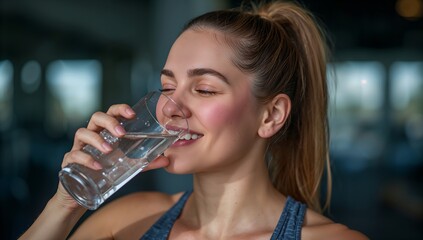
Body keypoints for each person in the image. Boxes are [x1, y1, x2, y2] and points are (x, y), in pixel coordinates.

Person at [19, 1, 368, 239]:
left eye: (204, 89)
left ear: (271, 115)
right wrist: (64, 205)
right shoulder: (126, 221)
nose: (171, 107)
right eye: (167, 86)